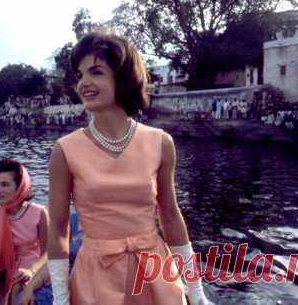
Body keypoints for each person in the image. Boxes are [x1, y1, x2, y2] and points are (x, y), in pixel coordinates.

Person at [46, 32, 211, 305]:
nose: (84, 83)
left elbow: (170, 217)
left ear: (122, 77)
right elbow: (59, 231)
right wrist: (60, 299)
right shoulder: (64, 151)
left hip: (156, 273)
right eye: (80, 75)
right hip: (97, 277)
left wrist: (196, 290)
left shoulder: (160, 143)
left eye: (96, 72)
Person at [0, 159, 51, 304]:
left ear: (20, 186)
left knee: (22, 289)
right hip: (8, 268)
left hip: (36, 265)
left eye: (5, 184)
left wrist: (32, 272)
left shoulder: (38, 212)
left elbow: (48, 252)